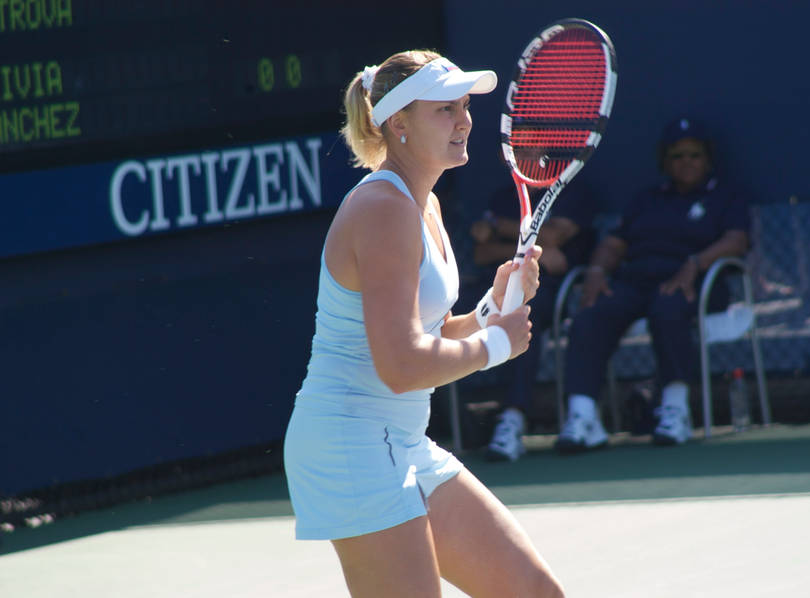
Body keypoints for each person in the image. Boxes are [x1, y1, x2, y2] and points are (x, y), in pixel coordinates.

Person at [282, 50, 565, 598]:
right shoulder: (383, 211)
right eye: (445, 109)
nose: (465, 120)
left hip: (401, 440)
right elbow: (403, 364)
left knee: (534, 592)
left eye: (464, 106)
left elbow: (425, 334)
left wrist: (489, 310)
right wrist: (496, 345)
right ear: (399, 124)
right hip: (351, 442)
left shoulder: (423, 205)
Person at [556, 117, 751, 450]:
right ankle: (583, 415)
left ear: (707, 158)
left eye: (694, 155)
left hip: (695, 283)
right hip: (637, 280)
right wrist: (597, 271)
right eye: (677, 156)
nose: (686, 162)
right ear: (665, 160)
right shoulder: (646, 199)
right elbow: (614, 244)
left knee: (668, 309)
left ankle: (675, 409)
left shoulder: (725, 197)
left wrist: (695, 263)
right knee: (591, 312)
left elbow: (737, 241)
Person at [460, 178, 595, 461]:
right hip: (493, 289)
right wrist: (530, 251)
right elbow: (481, 252)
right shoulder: (500, 196)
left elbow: (556, 239)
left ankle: (512, 418)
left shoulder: (574, 191)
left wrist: (499, 227)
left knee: (520, 321)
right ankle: (455, 421)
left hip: (549, 291)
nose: (526, 150)